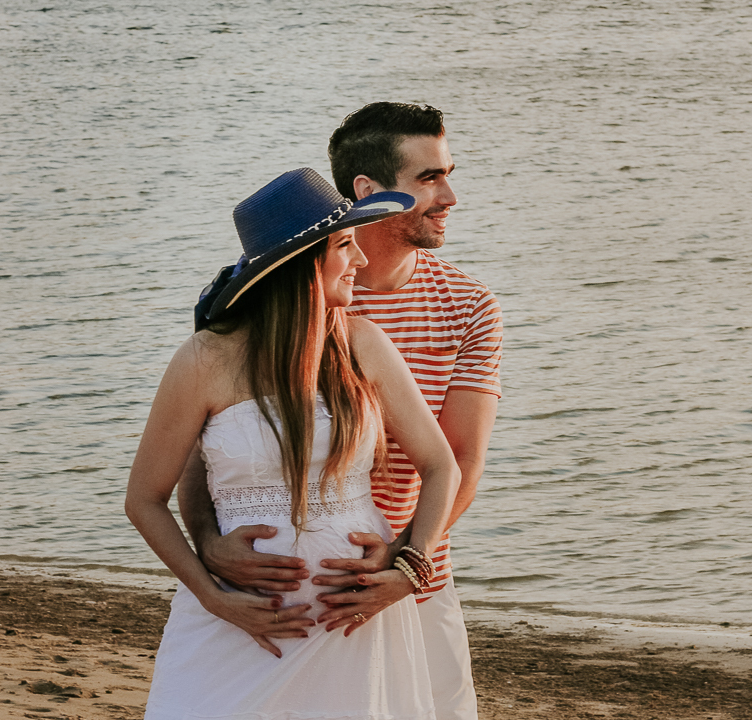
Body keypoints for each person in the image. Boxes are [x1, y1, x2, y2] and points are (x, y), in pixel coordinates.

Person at [179, 103, 502, 720]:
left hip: (412, 569)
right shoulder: (274, 307)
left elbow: (460, 458)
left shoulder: (468, 304)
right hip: (275, 581)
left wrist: (405, 561)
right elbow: (209, 444)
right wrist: (209, 544)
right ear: (368, 191)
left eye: (448, 173)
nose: (450, 195)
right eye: (429, 178)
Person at [126, 167, 460, 720]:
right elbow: (143, 498)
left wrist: (407, 571)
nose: (361, 261)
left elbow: (440, 467)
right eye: (346, 245)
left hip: (350, 619)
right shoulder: (204, 360)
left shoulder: (361, 344)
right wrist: (214, 597)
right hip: (238, 622)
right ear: (302, 263)